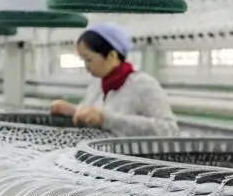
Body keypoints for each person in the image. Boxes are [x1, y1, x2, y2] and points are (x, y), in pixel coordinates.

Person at [49, 23, 178, 136]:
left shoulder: (142, 85)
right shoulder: (97, 84)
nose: (86, 67)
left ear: (112, 56)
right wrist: (73, 111)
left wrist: (107, 120)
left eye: (89, 59)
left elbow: (169, 130)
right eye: (83, 60)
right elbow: (93, 116)